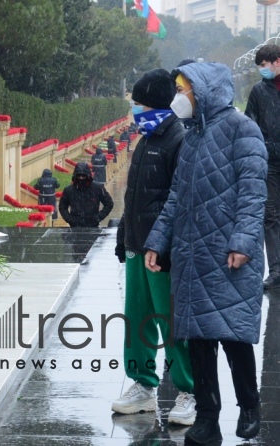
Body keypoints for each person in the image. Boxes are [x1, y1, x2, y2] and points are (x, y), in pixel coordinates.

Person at [144, 62, 267, 444]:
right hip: (191, 254)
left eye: (184, 89)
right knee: (198, 341)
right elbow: (176, 197)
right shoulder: (192, 136)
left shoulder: (242, 130)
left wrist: (243, 242)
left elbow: (253, 193)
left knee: (232, 335)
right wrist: (157, 241)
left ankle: (249, 405)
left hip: (229, 254)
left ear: (205, 90)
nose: (179, 97)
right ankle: (207, 417)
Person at [112, 68, 195, 426]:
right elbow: (135, 197)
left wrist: (162, 246)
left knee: (170, 321)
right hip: (135, 245)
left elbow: (180, 201)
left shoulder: (179, 140)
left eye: (138, 103)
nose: (134, 110)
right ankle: (143, 385)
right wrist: (123, 235)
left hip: (161, 253)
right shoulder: (146, 139)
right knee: (139, 319)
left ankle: (189, 390)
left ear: (156, 105)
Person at [245, 44, 280, 290]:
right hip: (270, 162)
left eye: (264, 65)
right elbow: (250, 125)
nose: (262, 70)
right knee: (271, 215)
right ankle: (276, 269)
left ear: (277, 62)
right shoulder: (258, 91)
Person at [58, 162, 113, 228]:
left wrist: (98, 217)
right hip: (75, 227)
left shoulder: (97, 188)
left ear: (88, 176)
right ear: (75, 176)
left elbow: (109, 203)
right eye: (79, 176)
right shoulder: (69, 190)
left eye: (83, 176)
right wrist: (70, 219)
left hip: (93, 226)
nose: (81, 178)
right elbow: (62, 207)